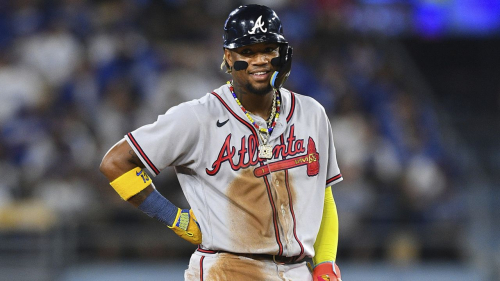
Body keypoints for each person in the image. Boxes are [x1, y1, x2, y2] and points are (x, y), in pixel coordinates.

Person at [100, 4, 343, 281]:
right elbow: (116, 162)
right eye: (247, 52)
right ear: (228, 57)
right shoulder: (198, 117)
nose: (259, 60)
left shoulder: (312, 114)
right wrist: (174, 218)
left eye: (268, 49)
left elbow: (323, 196)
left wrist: (325, 262)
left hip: (299, 270)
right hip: (227, 269)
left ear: (282, 53)